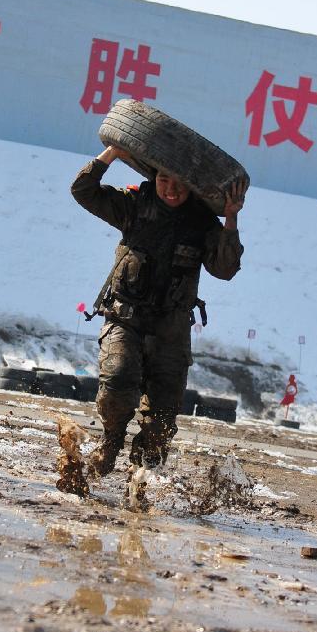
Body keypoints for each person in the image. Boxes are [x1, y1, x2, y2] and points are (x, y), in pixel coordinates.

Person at [71, 145, 246, 477]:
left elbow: (225, 268)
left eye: (180, 182)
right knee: (117, 384)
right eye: (165, 178)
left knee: (162, 423)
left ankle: (139, 483)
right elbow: (84, 191)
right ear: (155, 176)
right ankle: (110, 442)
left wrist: (231, 219)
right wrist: (112, 153)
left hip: (171, 330)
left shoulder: (203, 221)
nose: (172, 188)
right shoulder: (136, 204)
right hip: (126, 319)